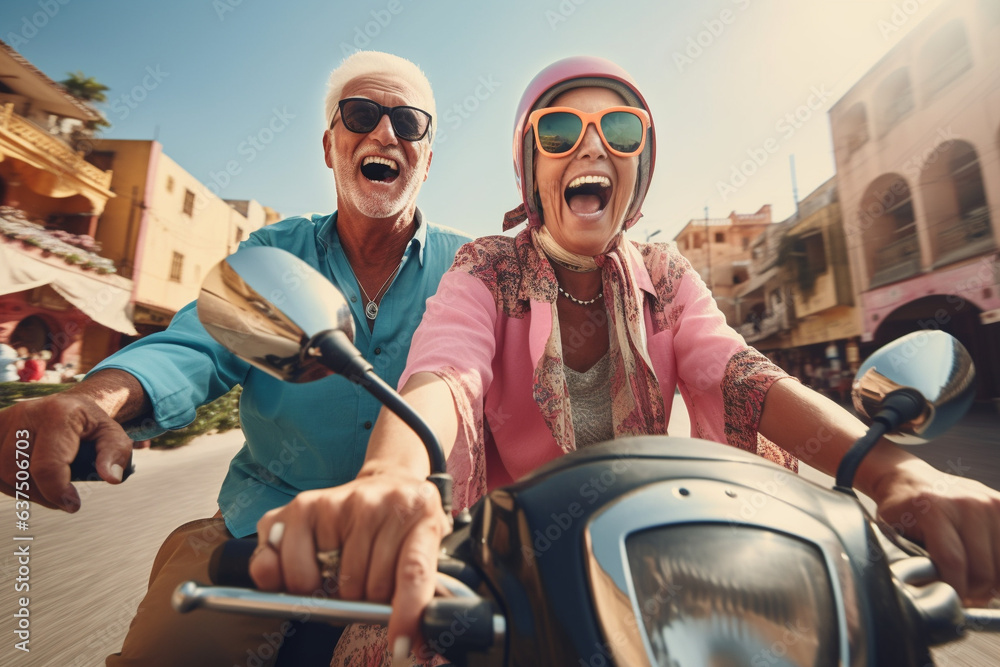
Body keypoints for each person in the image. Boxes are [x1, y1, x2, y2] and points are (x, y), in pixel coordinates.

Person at [250, 56, 1000, 665]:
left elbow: (739, 372)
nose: (591, 145)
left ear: (640, 166)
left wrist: (895, 471)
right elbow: (447, 370)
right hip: (492, 584)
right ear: (529, 168)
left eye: (619, 127)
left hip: (658, 571)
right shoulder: (486, 267)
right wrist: (392, 477)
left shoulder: (667, 276)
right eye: (559, 129)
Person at [0, 50, 470, 666]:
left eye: (408, 124)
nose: (385, 132)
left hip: (421, 541)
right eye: (361, 115)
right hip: (263, 527)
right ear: (330, 145)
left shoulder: (470, 269)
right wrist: (90, 399)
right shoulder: (275, 251)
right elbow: (195, 345)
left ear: (427, 159)